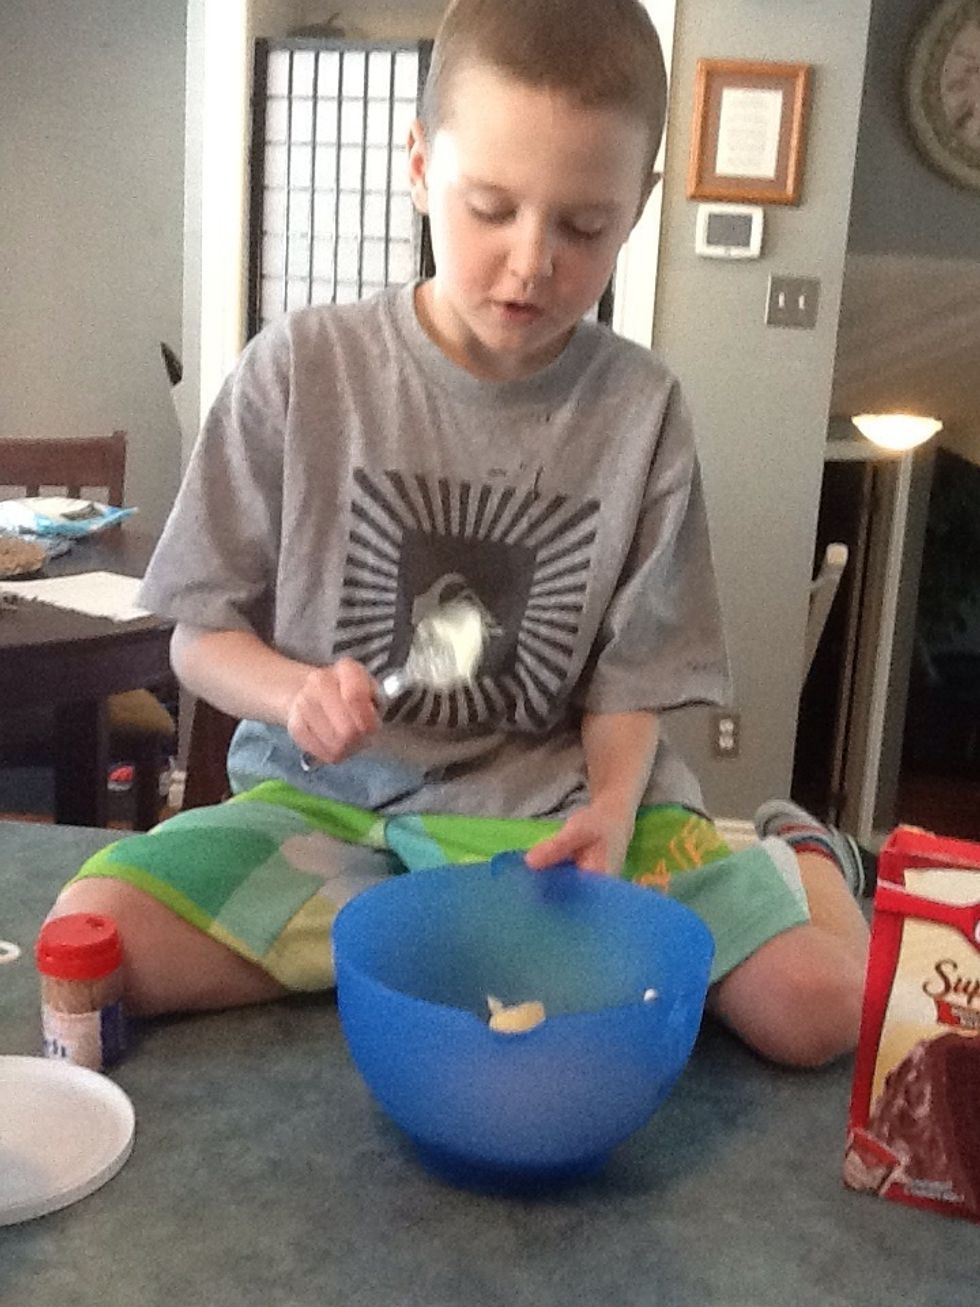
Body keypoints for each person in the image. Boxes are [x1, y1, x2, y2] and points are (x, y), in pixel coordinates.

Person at [44, 0, 868, 1067]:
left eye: (583, 228)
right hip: (330, 816)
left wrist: (615, 809)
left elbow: (629, 682)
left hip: (556, 821)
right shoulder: (298, 369)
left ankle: (801, 853)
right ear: (421, 165)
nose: (531, 263)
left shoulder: (642, 408)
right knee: (98, 937)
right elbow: (197, 639)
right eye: (490, 209)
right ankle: (457, 944)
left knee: (817, 1007)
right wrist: (292, 693)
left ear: (637, 207)